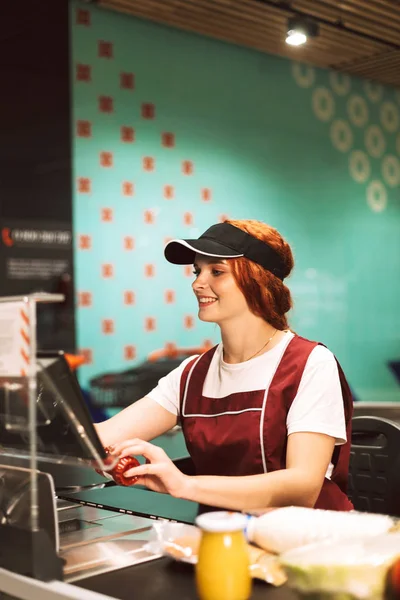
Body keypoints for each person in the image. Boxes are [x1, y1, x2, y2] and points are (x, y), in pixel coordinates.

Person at [96, 219, 354, 512]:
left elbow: (303, 487)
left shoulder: (310, 364)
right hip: (223, 537)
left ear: (258, 281)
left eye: (216, 271)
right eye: (197, 271)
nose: (197, 283)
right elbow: (101, 437)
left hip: (306, 541)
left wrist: (184, 484)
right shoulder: (192, 373)